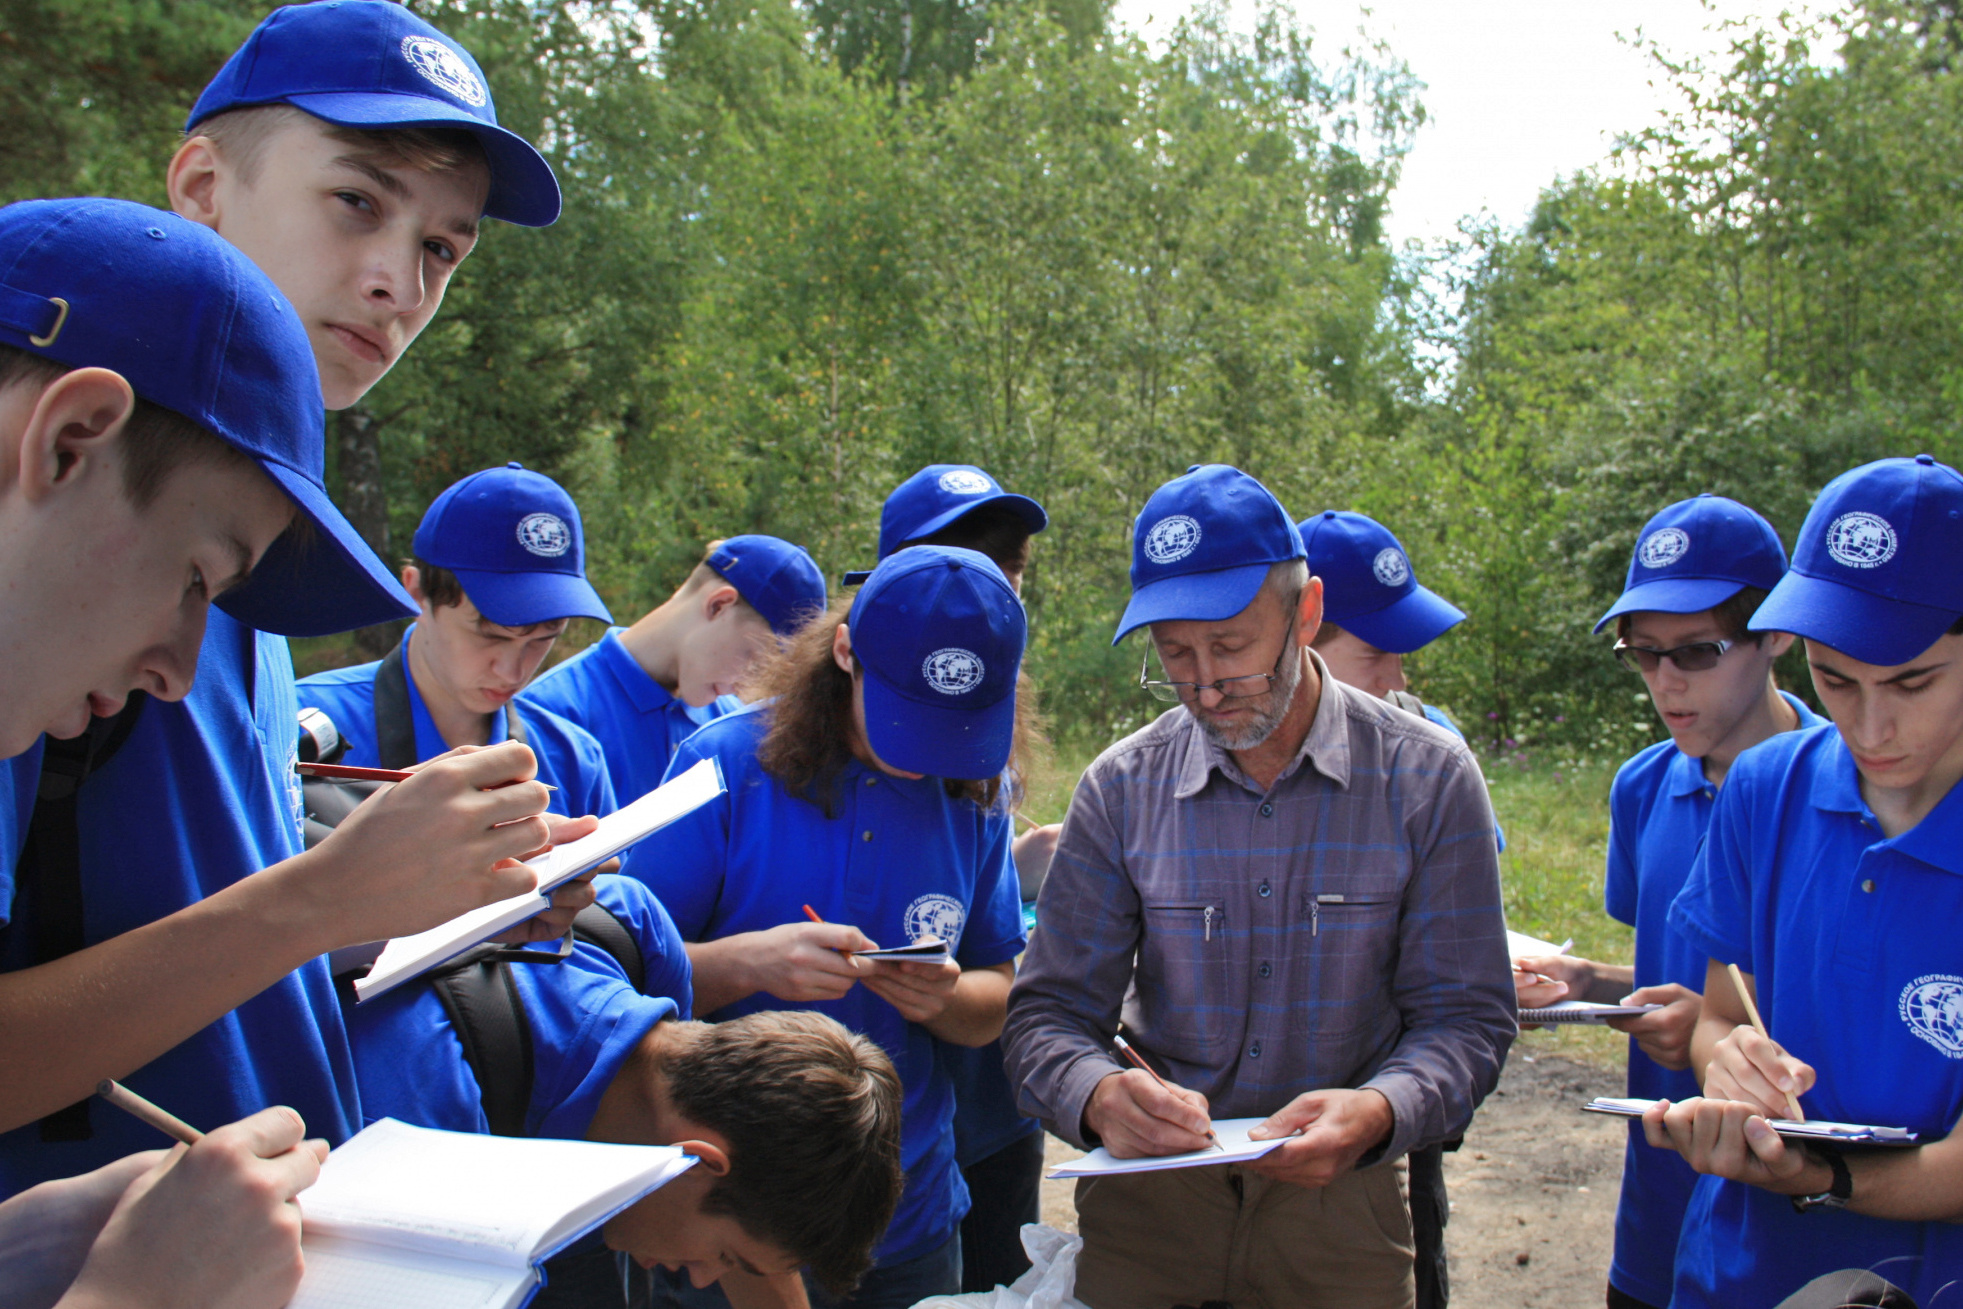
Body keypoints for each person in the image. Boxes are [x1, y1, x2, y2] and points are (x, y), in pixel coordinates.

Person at [0, 0, 581, 1200]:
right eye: (358, 202)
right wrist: (319, 898)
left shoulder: (259, 565)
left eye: (442, 250)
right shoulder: (61, 554)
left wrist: (422, 904)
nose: (395, 282)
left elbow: (208, 919)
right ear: (202, 183)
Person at [1003, 464, 1516, 1309]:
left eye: (1232, 648)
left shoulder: (1426, 778)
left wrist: (1381, 1111)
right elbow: (1045, 1015)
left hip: (1339, 1210)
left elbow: (1467, 1018)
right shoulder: (1121, 787)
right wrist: (1096, 1097)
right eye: (1174, 655)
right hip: (1149, 1209)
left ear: (1306, 613)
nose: (1204, 685)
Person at [621, 545, 1032, 1308]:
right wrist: (748, 964)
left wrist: (941, 998)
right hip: (730, 1225)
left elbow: (995, 995)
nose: (925, 761)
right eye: (907, 723)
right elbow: (615, 984)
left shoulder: (975, 793)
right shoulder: (725, 767)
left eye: (954, 730)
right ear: (845, 652)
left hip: (906, 1223)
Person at [1642, 455, 1963, 1308]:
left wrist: (1814, 1172)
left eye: (1910, 681)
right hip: (1740, 1272)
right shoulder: (1764, 785)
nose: (1867, 724)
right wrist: (1731, 1065)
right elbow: (1717, 1011)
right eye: (1834, 679)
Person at [1510, 494, 1822, 1309]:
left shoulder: (1844, 794)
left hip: (1791, 1222)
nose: (1665, 682)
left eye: (1695, 650)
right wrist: (1584, 983)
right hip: (1656, 1216)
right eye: (1642, 654)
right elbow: (1667, 974)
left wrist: (1717, 1039)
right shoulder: (1643, 786)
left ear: (1778, 633)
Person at [343, 873, 905, 1308]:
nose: (707, 1276)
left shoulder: (625, 928)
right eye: (726, 1256)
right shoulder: (430, 1130)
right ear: (694, 1158)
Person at [841, 462, 1053, 1294]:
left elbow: (994, 953)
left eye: (1007, 572)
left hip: (976, 1126)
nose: (985, 593)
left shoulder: (983, 729)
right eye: (959, 563)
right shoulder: (744, 761)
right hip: (838, 1158)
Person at [1297, 507, 1487, 1309]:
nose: (1398, 679)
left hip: (1397, 1118)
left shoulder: (1426, 749)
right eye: (1375, 655)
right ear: (1298, 634)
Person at [298, 462, 617, 818]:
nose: (513, 671)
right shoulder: (299, 730)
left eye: (544, 639)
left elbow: (619, 870)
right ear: (415, 593)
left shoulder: (574, 758)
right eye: (491, 635)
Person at [523, 535, 827, 804]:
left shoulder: (732, 727)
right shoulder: (549, 714)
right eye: (756, 661)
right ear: (718, 605)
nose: (746, 688)